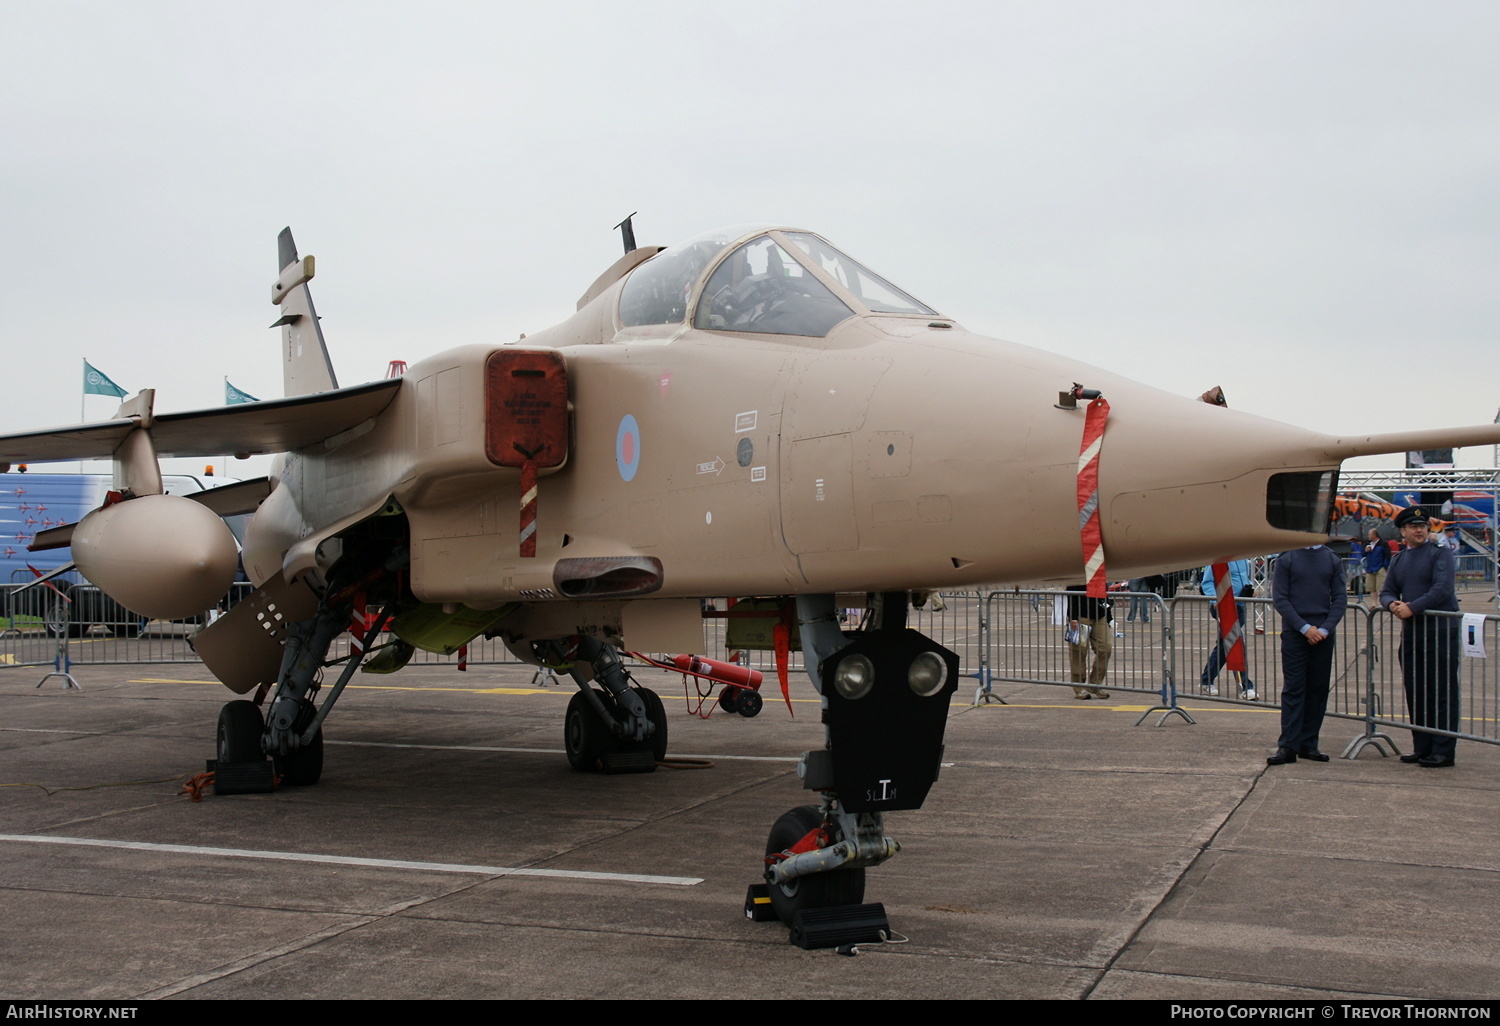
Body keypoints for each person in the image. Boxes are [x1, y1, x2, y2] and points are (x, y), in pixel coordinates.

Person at [1380, 507, 1460, 767]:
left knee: (1441, 692)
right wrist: (1392, 604)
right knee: (1417, 692)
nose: (1419, 530)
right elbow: (1387, 591)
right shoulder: (1399, 560)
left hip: (1439, 632)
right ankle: (1422, 747)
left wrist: (1412, 607)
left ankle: (1443, 749)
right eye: (1413, 526)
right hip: (1413, 634)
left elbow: (1442, 588)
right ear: (1403, 531)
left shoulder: (1441, 554)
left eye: (1423, 525)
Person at [1267, 544, 1346, 765]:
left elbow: (1340, 599)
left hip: (1323, 634)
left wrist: (1324, 629)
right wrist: (1304, 628)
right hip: (1295, 634)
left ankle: (1309, 743)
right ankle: (1288, 745)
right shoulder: (1287, 557)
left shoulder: (1332, 559)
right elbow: (1281, 599)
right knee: (1294, 689)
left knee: (1318, 689)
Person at [1200, 560, 1256, 700]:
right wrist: (1215, 601)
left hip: (1240, 604)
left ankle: (1207, 679)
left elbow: (1243, 577)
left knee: (1225, 646)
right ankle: (1245, 685)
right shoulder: (1218, 559)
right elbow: (1207, 582)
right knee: (1234, 642)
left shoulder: (1244, 560)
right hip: (1224, 607)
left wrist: (1249, 588)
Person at [1064, 584, 1111, 700]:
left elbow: (1105, 594)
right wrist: (1073, 617)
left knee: (1105, 648)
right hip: (1081, 616)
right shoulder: (1078, 572)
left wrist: (1109, 616)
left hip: (1099, 615)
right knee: (1079, 652)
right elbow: (1071, 594)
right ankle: (1079, 687)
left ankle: (1095, 683)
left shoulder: (1099, 573)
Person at [1364, 528, 1388, 604]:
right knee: (1371, 588)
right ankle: (1374, 604)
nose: (1368, 536)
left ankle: (1383, 603)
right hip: (1370, 568)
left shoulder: (1383, 544)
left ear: (1374, 535)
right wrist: (1365, 551)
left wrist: (1384, 566)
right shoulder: (1368, 543)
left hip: (1380, 568)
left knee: (1381, 587)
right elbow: (1363, 554)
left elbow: (1387, 555)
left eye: (1369, 534)